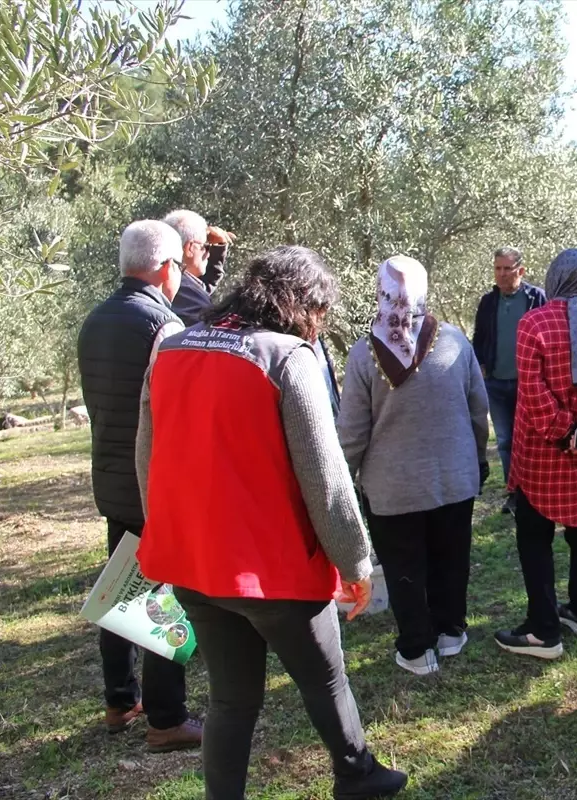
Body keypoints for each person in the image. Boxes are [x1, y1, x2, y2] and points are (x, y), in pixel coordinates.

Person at [135, 246, 406, 800]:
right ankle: (357, 774)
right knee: (325, 677)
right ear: (305, 304)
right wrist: (355, 563)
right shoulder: (288, 355)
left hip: (194, 564)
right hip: (273, 568)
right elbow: (324, 474)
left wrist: (167, 526)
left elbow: (147, 451)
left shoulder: (171, 346)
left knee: (231, 700)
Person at [76, 220, 201, 752]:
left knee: (121, 587)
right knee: (161, 596)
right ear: (168, 268)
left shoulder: (93, 322)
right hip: (154, 484)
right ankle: (167, 719)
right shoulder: (164, 328)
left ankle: (120, 700)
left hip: (110, 478)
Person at [339, 256, 489, 676]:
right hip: (455, 479)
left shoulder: (364, 354)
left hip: (392, 488)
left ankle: (417, 650)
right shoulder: (456, 343)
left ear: (380, 291)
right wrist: (476, 459)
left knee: (405, 566)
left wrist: (343, 480)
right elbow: (479, 411)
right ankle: (451, 633)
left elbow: (352, 431)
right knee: (451, 557)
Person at [494, 249, 577, 659]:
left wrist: (566, 431)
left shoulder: (532, 324)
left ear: (554, 277)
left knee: (534, 537)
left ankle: (543, 631)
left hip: (543, 453)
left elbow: (532, 395)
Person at [471, 246, 547, 514]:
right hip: (496, 383)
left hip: (529, 385)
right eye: (497, 269)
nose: (501, 275)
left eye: (507, 269)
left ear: (520, 271)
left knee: (532, 440)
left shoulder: (537, 298)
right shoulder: (488, 302)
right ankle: (513, 493)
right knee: (505, 441)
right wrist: (480, 365)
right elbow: (478, 339)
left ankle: (536, 492)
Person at [162, 209, 212, 326]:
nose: (209, 254)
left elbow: (206, 286)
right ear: (190, 248)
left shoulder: (157, 279)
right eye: (206, 247)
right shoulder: (188, 295)